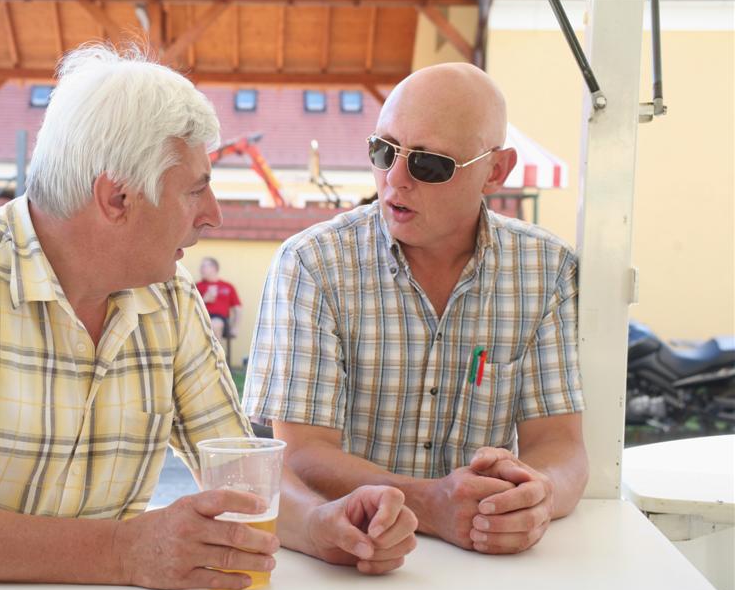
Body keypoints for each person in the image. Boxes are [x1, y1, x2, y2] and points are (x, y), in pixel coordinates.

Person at [0, 46, 417, 589]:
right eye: (195, 188)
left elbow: (239, 474)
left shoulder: (169, 299)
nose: (213, 214)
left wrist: (326, 523)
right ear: (117, 197)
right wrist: (123, 551)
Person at [244, 62, 588, 556]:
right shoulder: (313, 263)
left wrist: (537, 495)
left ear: (496, 171)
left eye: (429, 164)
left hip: (486, 567)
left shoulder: (546, 269)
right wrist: (430, 504)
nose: (395, 178)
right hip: (346, 559)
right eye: (382, 150)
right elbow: (300, 455)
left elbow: (560, 443)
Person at [197, 257, 242, 342]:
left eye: (203, 267)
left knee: (215, 324)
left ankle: (215, 354)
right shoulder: (197, 286)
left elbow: (238, 309)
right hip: (201, 319)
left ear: (213, 268)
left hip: (221, 320)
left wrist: (235, 327)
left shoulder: (228, 286)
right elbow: (191, 307)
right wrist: (204, 300)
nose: (200, 269)